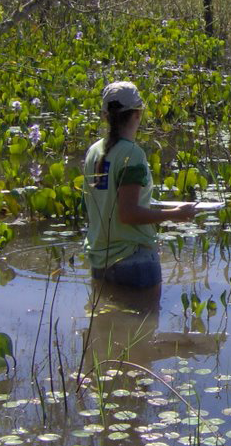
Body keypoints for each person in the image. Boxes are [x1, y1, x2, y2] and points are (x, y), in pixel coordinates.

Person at [82, 80, 197, 289]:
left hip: (99, 260)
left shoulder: (93, 152)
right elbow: (128, 214)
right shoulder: (132, 154)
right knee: (147, 321)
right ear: (137, 114)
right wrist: (174, 214)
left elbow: (100, 202)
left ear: (105, 116)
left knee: (106, 320)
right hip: (133, 261)